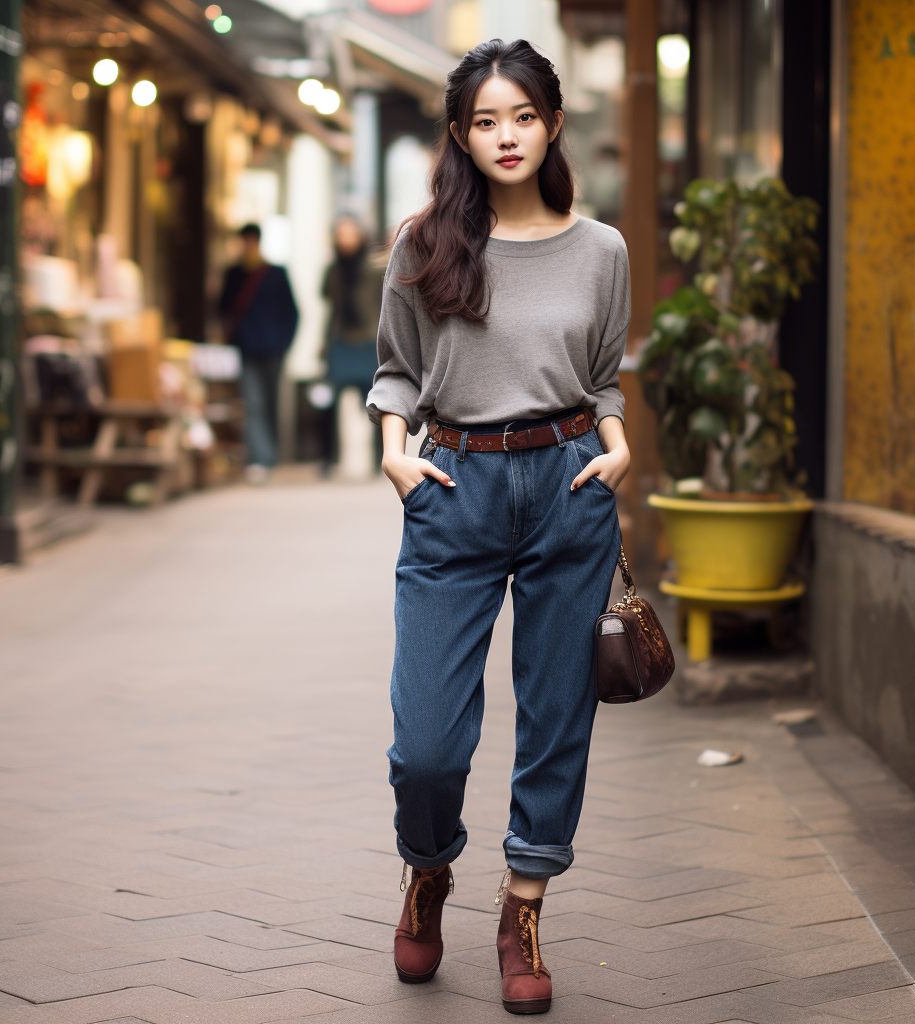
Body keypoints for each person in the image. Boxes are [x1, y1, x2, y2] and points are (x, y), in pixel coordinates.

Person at [366, 39, 631, 1015]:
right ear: (460, 134)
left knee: (556, 718)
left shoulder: (600, 249)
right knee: (426, 742)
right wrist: (393, 450)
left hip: (568, 484)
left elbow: (602, 372)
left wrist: (617, 442)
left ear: (553, 123)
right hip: (453, 483)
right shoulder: (423, 242)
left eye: (522, 116)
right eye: (484, 120)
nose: (505, 135)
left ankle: (523, 906)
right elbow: (396, 369)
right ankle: (427, 866)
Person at [220, 223, 298, 484]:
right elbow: (223, 309)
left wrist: (285, 343)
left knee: (271, 402)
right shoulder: (233, 274)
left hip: (273, 350)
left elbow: (292, 312)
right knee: (253, 403)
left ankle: (270, 455)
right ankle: (260, 457)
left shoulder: (275, 273)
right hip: (245, 350)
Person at [319, 215, 384, 475]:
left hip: (368, 342)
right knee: (328, 404)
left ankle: (380, 457)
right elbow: (329, 306)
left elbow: (382, 307)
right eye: (341, 234)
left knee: (376, 403)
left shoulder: (374, 269)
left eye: (350, 234)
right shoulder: (332, 270)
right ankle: (327, 458)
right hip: (339, 340)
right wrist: (322, 343)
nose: (346, 240)